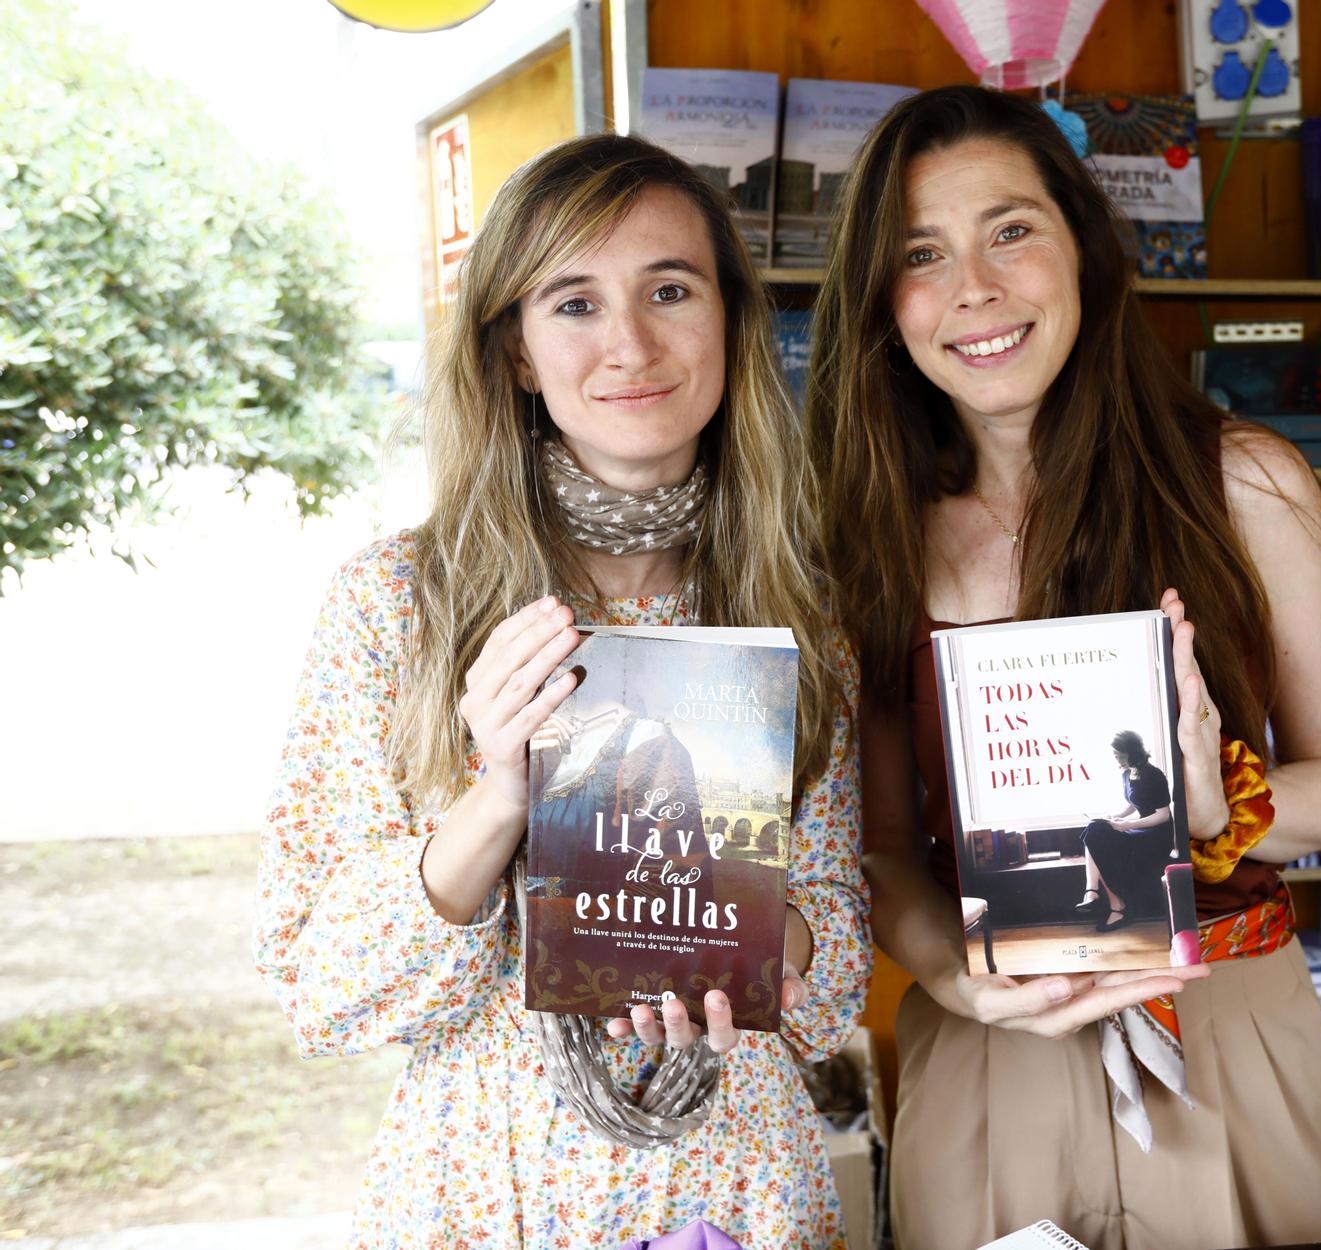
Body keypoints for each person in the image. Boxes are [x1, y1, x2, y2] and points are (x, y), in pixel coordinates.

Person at [255, 133, 866, 1249]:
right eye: (573, 302)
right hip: (492, 1188)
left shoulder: (793, 608)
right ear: (519, 352)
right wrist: (495, 796)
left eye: (668, 290)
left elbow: (833, 983)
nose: (629, 342)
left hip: (738, 1185)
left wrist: (761, 941)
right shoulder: (401, 604)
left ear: (727, 317)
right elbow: (325, 989)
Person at [809, 86, 1321, 1248]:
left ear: (1082, 241)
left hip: (1225, 1019)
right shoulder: (866, 524)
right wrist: (953, 978)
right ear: (882, 300)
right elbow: (878, 843)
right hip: (989, 1037)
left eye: (1010, 230)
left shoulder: (1244, 480)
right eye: (921, 252)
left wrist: (1221, 802)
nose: (973, 286)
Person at [1077, 730, 1178, 933]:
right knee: (1094, 830)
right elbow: (1133, 804)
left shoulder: (1153, 775)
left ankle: (1109, 902)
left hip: (1157, 836)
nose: (1116, 759)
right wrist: (1116, 816)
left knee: (1096, 835)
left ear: (1131, 752)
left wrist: (1127, 825)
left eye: (1118, 755)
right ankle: (1095, 894)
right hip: (1141, 830)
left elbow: (1163, 815)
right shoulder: (1127, 773)